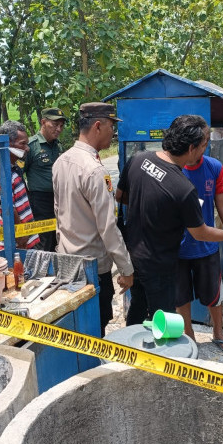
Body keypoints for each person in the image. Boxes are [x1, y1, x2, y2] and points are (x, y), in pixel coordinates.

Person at [115, 115, 223, 326]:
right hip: (160, 264)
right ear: (192, 148)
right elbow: (200, 232)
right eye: (204, 144)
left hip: (133, 257)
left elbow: (121, 196)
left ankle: (130, 353)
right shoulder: (182, 188)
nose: (206, 148)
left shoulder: (139, 159)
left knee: (137, 308)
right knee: (163, 321)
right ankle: (158, 357)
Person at [53, 103, 133, 337]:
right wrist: (126, 268)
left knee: (77, 326)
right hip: (93, 268)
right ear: (98, 126)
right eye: (111, 126)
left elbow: (59, 213)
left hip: (67, 261)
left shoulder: (62, 161)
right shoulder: (95, 171)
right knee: (96, 325)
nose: (113, 133)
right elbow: (108, 227)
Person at [176, 152, 223, 354]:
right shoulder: (174, 169)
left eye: (205, 143)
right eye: (199, 143)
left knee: (214, 295)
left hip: (207, 246)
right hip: (178, 248)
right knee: (181, 296)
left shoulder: (214, 167)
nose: (201, 148)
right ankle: (188, 334)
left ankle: (217, 333)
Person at [0, 120, 40, 251]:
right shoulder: (3, 173)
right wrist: (21, 236)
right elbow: (9, 209)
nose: (27, 148)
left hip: (25, 238)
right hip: (18, 243)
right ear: (7, 144)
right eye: (22, 144)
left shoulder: (14, 167)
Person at [25, 107, 67, 252]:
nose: (59, 129)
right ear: (43, 122)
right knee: (44, 241)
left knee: (58, 239)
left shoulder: (58, 145)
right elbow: (17, 175)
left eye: (61, 125)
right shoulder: (31, 146)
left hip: (59, 199)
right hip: (40, 201)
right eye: (55, 125)